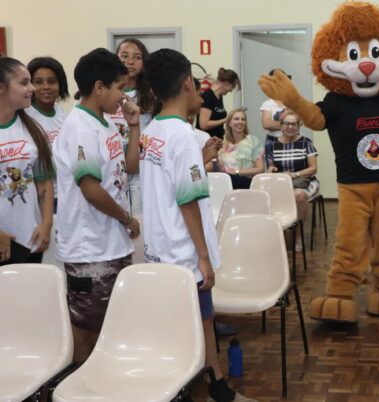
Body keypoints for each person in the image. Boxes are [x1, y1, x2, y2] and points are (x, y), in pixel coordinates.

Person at [141, 48, 254, 402]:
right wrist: (203, 257)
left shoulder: (152, 130)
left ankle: (215, 384)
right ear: (189, 83)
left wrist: (201, 165)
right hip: (183, 250)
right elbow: (187, 199)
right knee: (198, 323)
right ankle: (210, 389)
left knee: (191, 323)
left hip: (159, 247)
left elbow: (170, 184)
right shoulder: (183, 136)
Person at [53, 48, 141, 362]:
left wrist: (133, 127)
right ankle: (76, 386)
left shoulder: (103, 124)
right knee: (86, 325)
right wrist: (127, 218)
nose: (123, 96)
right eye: (119, 87)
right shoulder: (80, 127)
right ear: (99, 87)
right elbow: (90, 189)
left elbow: (130, 168)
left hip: (111, 242)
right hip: (89, 247)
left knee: (108, 323)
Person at [0, 57, 55, 265]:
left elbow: (44, 180)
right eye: (24, 83)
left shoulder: (32, 129)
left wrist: (46, 224)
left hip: (29, 240)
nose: (32, 88)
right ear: (1, 88)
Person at [112, 38, 156, 215]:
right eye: (124, 56)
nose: (130, 61)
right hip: (113, 166)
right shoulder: (109, 92)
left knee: (140, 219)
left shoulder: (151, 94)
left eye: (137, 57)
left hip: (141, 168)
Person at [266, 111, 319, 249]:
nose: (291, 127)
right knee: (268, 196)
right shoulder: (272, 145)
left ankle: (298, 235)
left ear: (298, 126)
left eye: (294, 124)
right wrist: (271, 168)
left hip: (306, 181)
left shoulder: (306, 142)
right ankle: (281, 232)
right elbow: (271, 165)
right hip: (282, 184)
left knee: (298, 195)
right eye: (287, 124)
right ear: (281, 126)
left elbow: (313, 169)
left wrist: (294, 175)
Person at [216, 108, 264, 189]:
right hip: (225, 184)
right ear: (229, 123)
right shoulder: (222, 145)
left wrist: (236, 172)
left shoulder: (253, 141)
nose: (240, 122)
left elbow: (260, 168)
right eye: (236, 119)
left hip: (247, 183)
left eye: (243, 119)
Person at [25, 56, 69, 144]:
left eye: (51, 81)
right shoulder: (24, 115)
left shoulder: (63, 114)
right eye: (38, 82)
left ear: (60, 84)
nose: (46, 87)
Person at [199, 68, 240, 139]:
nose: (231, 90)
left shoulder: (219, 96)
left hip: (218, 141)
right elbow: (203, 124)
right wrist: (226, 120)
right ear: (226, 83)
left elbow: (216, 124)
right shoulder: (208, 96)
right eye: (232, 86)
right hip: (207, 142)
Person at [260, 68, 291, 149]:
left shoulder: (293, 102)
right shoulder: (267, 103)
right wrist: (289, 124)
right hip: (273, 141)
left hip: (292, 140)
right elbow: (266, 124)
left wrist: (276, 124)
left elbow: (300, 121)